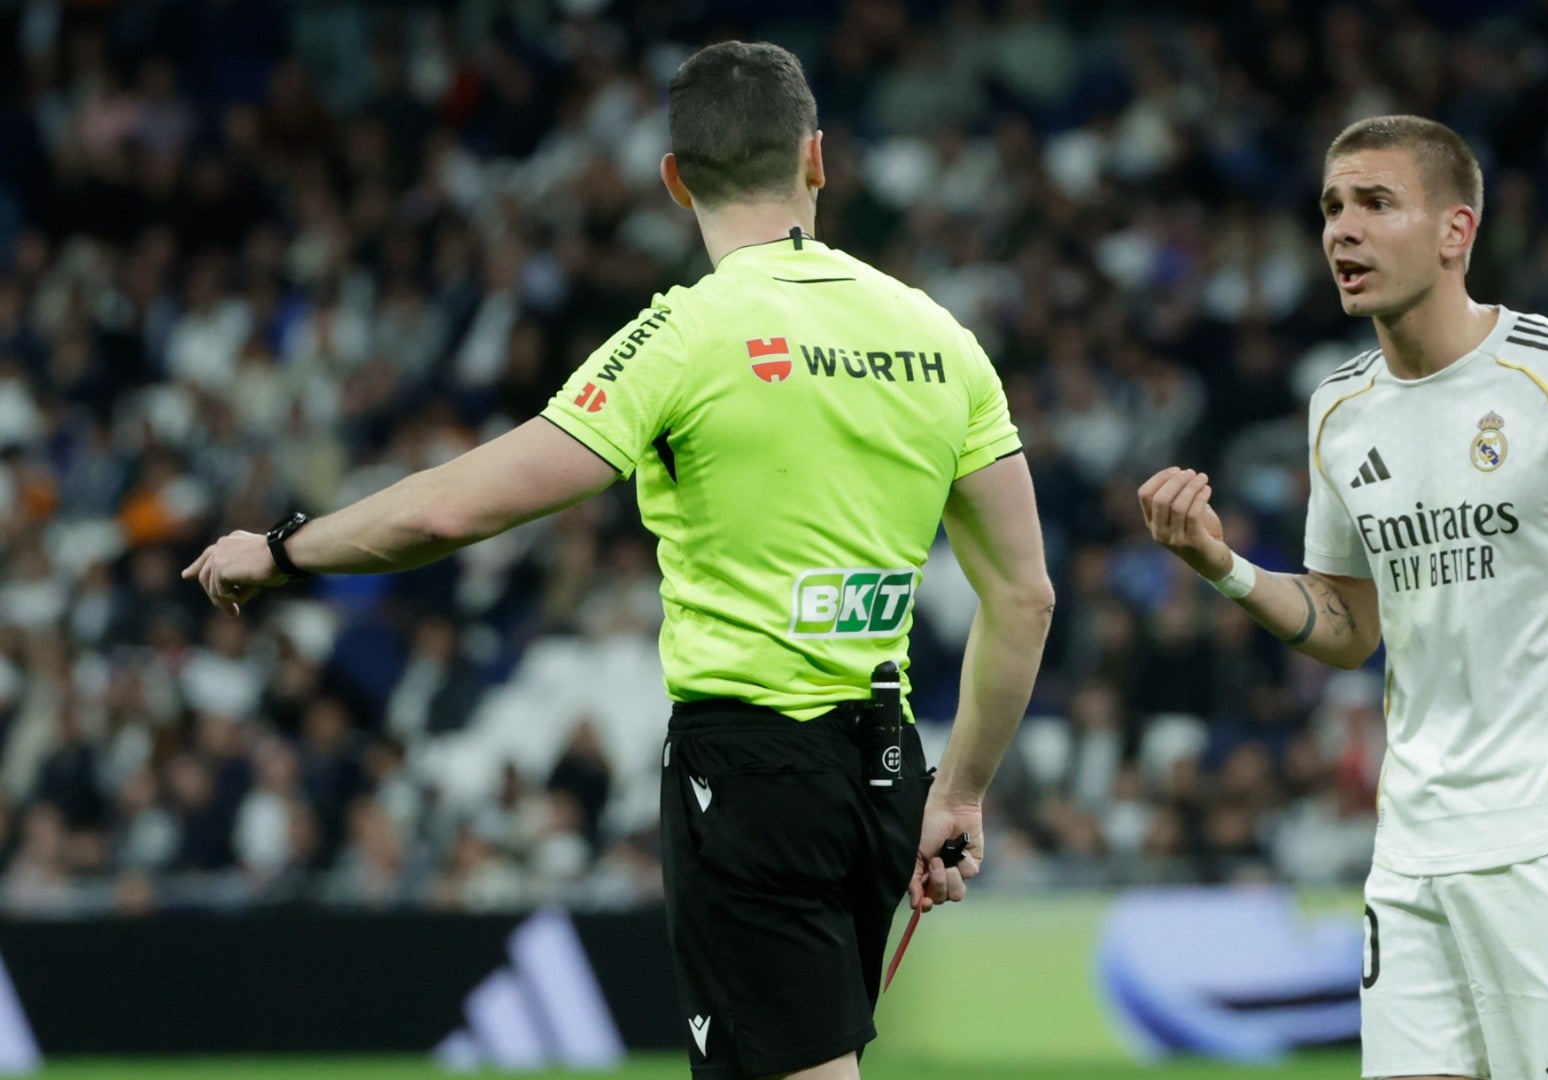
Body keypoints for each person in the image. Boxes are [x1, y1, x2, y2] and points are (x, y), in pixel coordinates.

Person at [184, 40, 1053, 1080]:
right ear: (816, 159)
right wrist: (958, 792)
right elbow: (1025, 594)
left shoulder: (685, 334)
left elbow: (452, 510)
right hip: (884, 769)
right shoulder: (942, 340)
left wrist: (282, 551)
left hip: (750, 768)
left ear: (674, 177)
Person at [1141, 115, 1548, 1080]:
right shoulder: (1339, 409)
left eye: (1375, 203)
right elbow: (1347, 626)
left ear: (1457, 231)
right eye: (1332, 207)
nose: (1342, 231)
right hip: (1412, 853)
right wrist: (1223, 566)